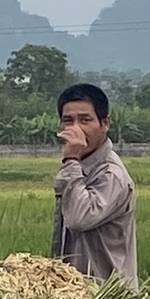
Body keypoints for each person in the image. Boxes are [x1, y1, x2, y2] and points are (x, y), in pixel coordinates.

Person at [52, 81, 135, 282]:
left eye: (85, 120)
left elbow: (80, 219)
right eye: (68, 121)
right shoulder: (81, 167)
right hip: (76, 293)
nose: (76, 129)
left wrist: (71, 159)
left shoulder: (110, 174)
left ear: (105, 124)